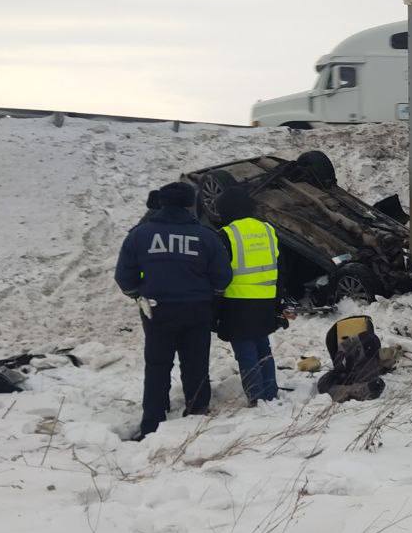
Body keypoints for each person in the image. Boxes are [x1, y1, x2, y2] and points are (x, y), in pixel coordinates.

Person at [114, 182, 232, 438]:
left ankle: (152, 420)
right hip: (197, 310)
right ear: (190, 204)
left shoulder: (140, 234)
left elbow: (124, 276)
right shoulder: (206, 236)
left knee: (157, 365)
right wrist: (211, 297)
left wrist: (137, 294)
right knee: (196, 363)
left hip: (157, 311)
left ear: (162, 202)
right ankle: (197, 410)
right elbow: (223, 277)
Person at [212, 187, 285, 405]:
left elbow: (220, 274)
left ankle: (256, 398)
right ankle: (270, 393)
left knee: (245, 352)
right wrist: (278, 300)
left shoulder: (226, 234)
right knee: (263, 347)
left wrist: (214, 307)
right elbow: (281, 267)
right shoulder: (268, 230)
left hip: (237, 302)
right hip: (265, 299)